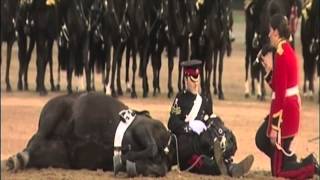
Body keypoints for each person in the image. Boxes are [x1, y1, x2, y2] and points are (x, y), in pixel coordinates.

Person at [256, 13, 319, 179]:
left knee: (279, 172)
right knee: (261, 138)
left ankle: (310, 166)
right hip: (288, 110)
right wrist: (270, 71)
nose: (268, 34)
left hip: (286, 114)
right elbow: (279, 87)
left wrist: (274, 128)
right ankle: (291, 160)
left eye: (270, 31)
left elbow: (280, 95)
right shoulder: (283, 50)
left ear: (276, 31)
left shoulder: (282, 53)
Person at [168, 59, 254, 177]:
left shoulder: (205, 99)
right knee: (204, 163)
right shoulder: (180, 98)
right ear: (185, 79)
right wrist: (189, 126)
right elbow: (172, 123)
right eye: (192, 81)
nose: (196, 84)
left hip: (202, 143)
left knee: (220, 142)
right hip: (186, 148)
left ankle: (230, 164)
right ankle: (231, 168)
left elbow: (209, 121)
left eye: (197, 81)